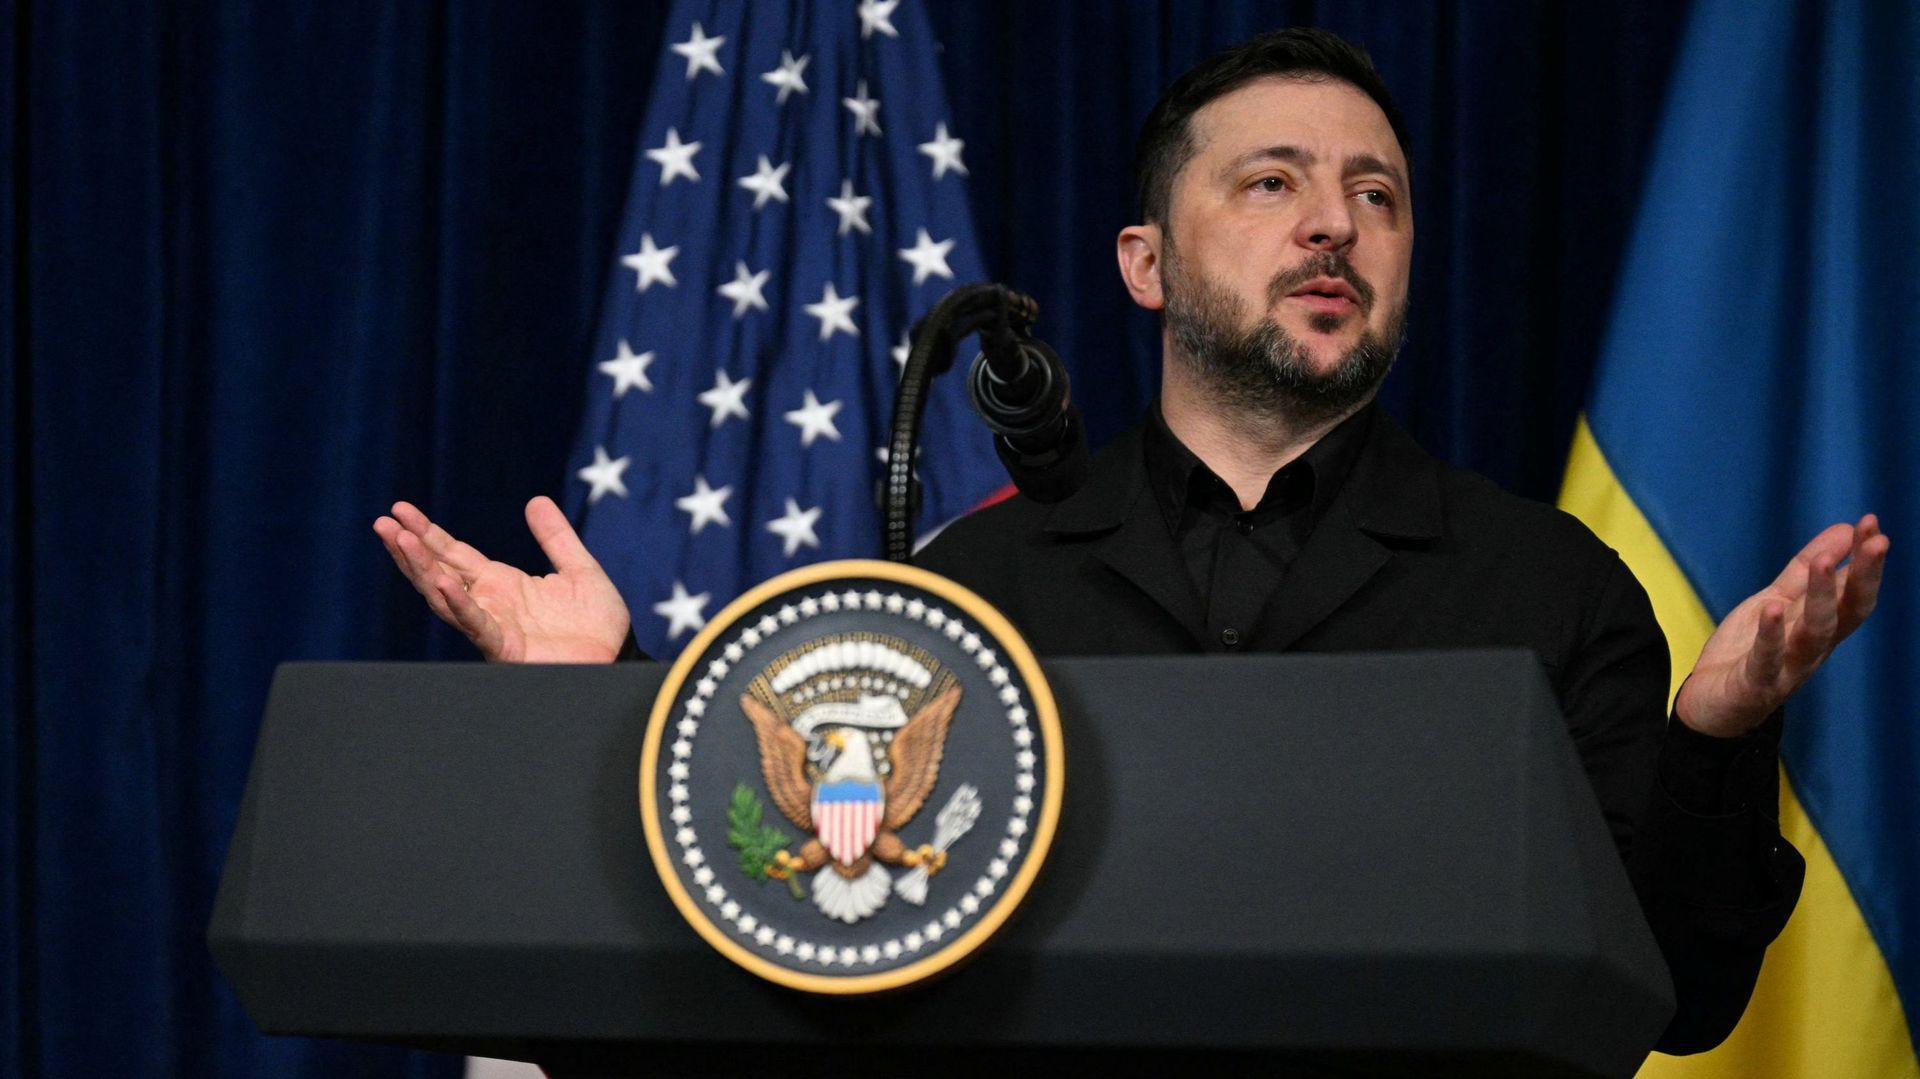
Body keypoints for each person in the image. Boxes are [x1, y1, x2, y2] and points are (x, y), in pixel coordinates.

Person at [372, 28, 1888, 1054]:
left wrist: (1715, 735)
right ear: (1145, 263)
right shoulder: (974, 592)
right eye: (1273, 182)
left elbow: (1679, 999)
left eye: (1376, 194)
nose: (1335, 224)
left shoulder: (1548, 586)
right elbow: (805, 963)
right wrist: (598, 701)